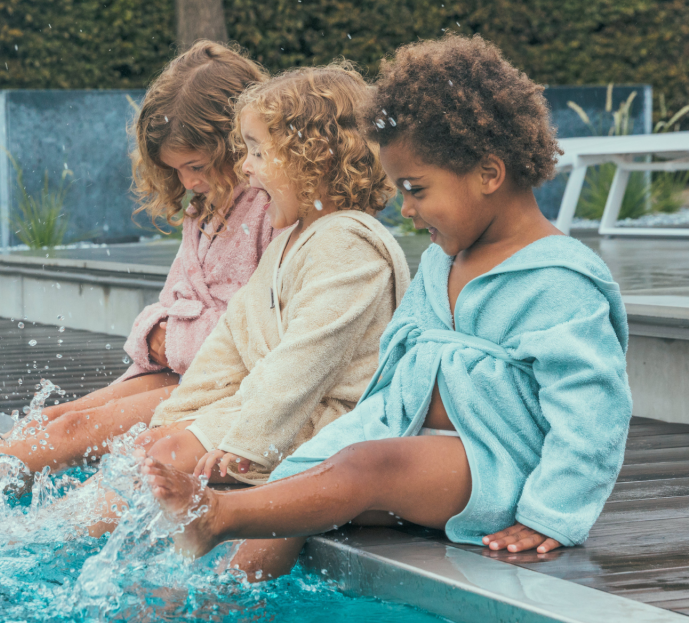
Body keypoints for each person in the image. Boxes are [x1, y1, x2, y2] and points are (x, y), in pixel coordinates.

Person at [139, 35, 633, 581]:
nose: (408, 209)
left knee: (365, 466)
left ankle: (217, 517)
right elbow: (392, 377)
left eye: (417, 189)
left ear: (489, 175)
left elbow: (592, 412)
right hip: (417, 443)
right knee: (298, 477)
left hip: (499, 467)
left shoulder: (558, 280)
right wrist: (317, 446)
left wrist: (551, 514)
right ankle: (222, 602)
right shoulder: (445, 265)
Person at [84, 62, 411, 559]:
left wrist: (248, 444)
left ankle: (73, 548)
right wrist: (178, 414)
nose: (247, 167)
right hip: (273, 414)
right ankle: (105, 553)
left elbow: (303, 363)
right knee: (153, 446)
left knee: (171, 456)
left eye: (259, 152)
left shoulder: (349, 244)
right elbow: (229, 347)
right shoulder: (291, 243)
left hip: (328, 422)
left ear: (311, 159)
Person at [0, 41, 276, 479]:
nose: (188, 180)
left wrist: (172, 340)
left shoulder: (270, 209)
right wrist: (154, 333)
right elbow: (172, 307)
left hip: (223, 387)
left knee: (75, 430)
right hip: (183, 369)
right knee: (52, 420)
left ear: (236, 144)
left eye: (197, 165)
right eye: (176, 170)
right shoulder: (204, 211)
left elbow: (261, 331)